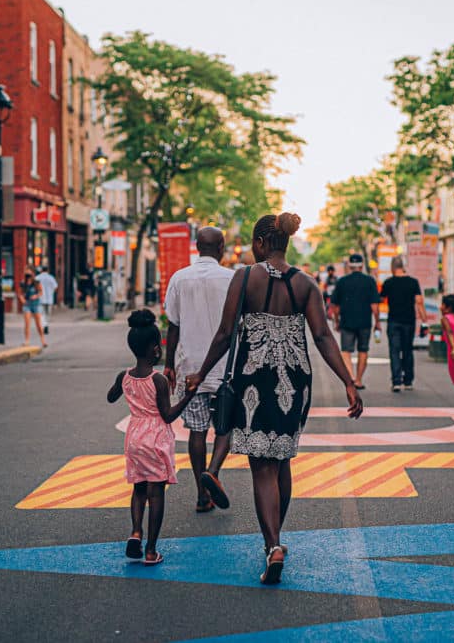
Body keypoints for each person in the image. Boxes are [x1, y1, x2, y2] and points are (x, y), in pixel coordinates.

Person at [186, 212, 363, 585]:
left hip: (255, 377)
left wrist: (201, 373)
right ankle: (275, 540)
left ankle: (273, 545)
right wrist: (349, 381)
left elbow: (224, 333)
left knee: (262, 466)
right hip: (295, 381)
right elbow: (324, 338)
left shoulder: (245, 277)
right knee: (281, 459)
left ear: (262, 243)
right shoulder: (306, 284)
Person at [107, 310, 195, 566]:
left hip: (134, 438)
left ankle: (136, 531)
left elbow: (111, 397)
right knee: (156, 493)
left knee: (138, 488)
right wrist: (188, 396)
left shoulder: (124, 376)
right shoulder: (157, 380)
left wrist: (121, 388)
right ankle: (151, 550)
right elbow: (167, 416)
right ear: (156, 349)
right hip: (155, 438)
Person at [164, 227, 236, 513]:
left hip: (190, 368)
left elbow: (173, 324)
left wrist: (169, 364)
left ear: (196, 247)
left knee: (196, 431)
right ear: (221, 247)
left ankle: (201, 493)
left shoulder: (179, 278)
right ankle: (214, 473)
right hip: (225, 367)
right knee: (225, 426)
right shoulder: (231, 279)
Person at [331, 253, 381, 390]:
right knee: (363, 350)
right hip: (365, 322)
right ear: (362, 265)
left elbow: (335, 306)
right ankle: (359, 380)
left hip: (346, 321)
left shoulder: (342, 281)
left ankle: (351, 378)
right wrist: (377, 322)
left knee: (346, 351)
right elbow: (375, 306)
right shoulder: (369, 281)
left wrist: (337, 321)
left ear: (349, 266)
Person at [380, 256, 426, 392]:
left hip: (393, 321)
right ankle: (408, 381)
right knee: (407, 350)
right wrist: (424, 320)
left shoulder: (388, 282)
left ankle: (396, 382)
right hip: (409, 321)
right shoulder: (413, 282)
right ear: (403, 267)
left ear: (392, 268)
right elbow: (419, 301)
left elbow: (381, 298)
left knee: (394, 351)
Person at [17, 269, 47, 349]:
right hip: (27, 305)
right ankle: (27, 340)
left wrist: (36, 296)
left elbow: (41, 292)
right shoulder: (23, 283)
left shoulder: (36, 282)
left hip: (36, 305)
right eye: (27, 275)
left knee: (38, 324)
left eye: (29, 275)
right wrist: (22, 300)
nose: (28, 277)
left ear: (32, 275)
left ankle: (43, 340)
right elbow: (20, 293)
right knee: (27, 323)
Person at [35, 266, 58, 335]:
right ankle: (46, 324)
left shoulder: (37, 278)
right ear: (47, 270)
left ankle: (44, 325)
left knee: (42, 313)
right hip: (49, 298)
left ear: (41, 270)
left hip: (41, 298)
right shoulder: (51, 277)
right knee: (48, 314)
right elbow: (55, 287)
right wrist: (52, 292)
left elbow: (34, 286)